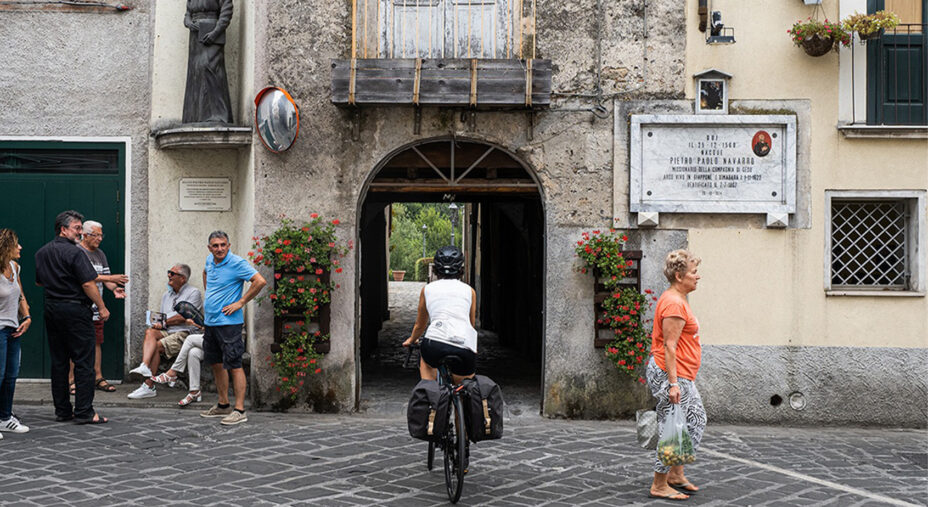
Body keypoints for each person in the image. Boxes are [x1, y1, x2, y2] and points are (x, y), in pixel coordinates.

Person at [35, 210, 110, 424]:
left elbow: (39, 282)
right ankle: (85, 411)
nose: (80, 232)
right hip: (76, 309)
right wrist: (102, 307)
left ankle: (62, 410)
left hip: (52, 308)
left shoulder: (42, 252)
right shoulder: (76, 253)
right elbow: (88, 282)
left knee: (59, 361)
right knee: (83, 361)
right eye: (77, 228)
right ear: (63, 229)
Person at [646, 249, 707, 501]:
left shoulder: (677, 299)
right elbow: (669, 346)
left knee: (681, 423)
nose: (698, 277)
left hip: (680, 373)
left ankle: (676, 474)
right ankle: (660, 483)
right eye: (694, 272)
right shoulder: (674, 302)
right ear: (680, 275)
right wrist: (673, 384)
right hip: (671, 374)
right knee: (684, 426)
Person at [199, 231, 266, 425]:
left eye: (222, 245)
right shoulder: (209, 261)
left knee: (234, 364)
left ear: (228, 246)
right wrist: (211, 295)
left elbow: (259, 281)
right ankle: (223, 405)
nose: (219, 249)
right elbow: (205, 272)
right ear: (209, 248)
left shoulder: (237, 263)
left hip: (229, 324)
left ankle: (239, 410)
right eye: (215, 245)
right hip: (211, 322)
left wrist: (241, 302)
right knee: (216, 364)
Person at [401, 246, 478, 385]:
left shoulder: (427, 289)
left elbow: (420, 325)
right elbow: (470, 325)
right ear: (460, 269)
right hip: (464, 347)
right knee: (466, 389)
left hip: (434, 345)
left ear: (436, 269)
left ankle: (432, 400)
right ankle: (462, 402)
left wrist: (412, 340)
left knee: (427, 366)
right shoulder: (470, 291)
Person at [68, 220, 128, 394]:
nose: (100, 239)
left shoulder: (100, 254)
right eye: (96, 235)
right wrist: (110, 279)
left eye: (101, 235)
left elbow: (107, 278)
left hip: (96, 308)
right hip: (79, 307)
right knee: (76, 344)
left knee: (96, 342)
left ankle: (98, 377)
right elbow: (85, 278)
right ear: (84, 235)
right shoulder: (76, 252)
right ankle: (72, 380)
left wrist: (115, 289)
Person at [127, 264, 202, 399]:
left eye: (172, 273)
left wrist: (164, 322)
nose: (169, 275)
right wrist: (158, 324)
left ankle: (149, 385)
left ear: (183, 278)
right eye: (169, 272)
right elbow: (163, 317)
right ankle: (144, 365)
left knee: (157, 346)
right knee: (150, 332)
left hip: (184, 332)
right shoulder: (166, 295)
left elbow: (184, 317)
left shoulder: (193, 293)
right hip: (168, 330)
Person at [0, 229, 31, 436]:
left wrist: (27, 317)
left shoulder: (15, 267)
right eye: (16, 244)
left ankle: (4, 417)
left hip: (13, 328)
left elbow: (20, 296)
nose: (20, 248)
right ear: (5, 247)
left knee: (11, 376)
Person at [182, 0, 234, 124]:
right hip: (195, 35)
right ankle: (194, 116)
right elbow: (188, 13)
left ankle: (219, 115)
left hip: (212, 33)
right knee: (195, 73)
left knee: (211, 69)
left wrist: (215, 33)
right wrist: (188, 22)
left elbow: (226, 12)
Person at [151, 332, 205, 406]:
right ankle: (195, 391)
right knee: (193, 353)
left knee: (190, 339)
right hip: (212, 339)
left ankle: (173, 372)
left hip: (222, 339)